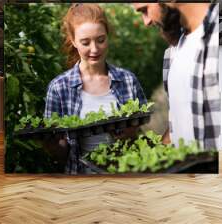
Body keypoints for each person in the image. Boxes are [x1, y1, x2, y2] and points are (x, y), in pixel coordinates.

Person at [44, 3, 147, 174]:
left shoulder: (128, 81)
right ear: (73, 41)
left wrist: (129, 133)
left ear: (108, 36)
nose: (94, 49)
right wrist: (51, 144)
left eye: (101, 40)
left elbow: (138, 131)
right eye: (85, 42)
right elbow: (62, 154)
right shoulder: (59, 88)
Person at [133, 3, 220, 150]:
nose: (146, 22)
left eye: (145, 9)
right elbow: (179, 121)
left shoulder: (219, 33)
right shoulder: (172, 53)